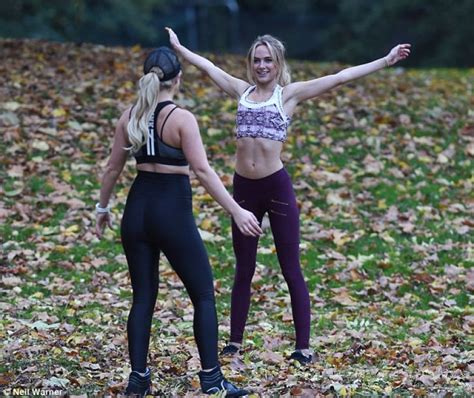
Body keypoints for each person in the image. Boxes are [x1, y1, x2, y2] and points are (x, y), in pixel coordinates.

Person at [166, 27, 411, 365]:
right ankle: (235, 343)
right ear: (251, 64)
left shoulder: (289, 95)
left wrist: (386, 60)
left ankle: (302, 346)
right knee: (244, 269)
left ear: (278, 64)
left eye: (268, 60)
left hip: (275, 188)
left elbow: (339, 77)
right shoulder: (241, 90)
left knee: (290, 267)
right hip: (244, 190)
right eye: (257, 60)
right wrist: (180, 49)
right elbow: (209, 67)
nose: (262, 65)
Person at [95, 46, 262, 396]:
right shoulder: (182, 119)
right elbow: (201, 169)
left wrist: (102, 208)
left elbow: (113, 168)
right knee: (202, 294)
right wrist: (236, 209)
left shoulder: (129, 117)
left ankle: (138, 380)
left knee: (142, 298)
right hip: (171, 213)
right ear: (178, 79)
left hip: (137, 212)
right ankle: (213, 381)